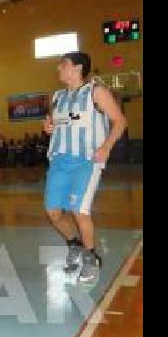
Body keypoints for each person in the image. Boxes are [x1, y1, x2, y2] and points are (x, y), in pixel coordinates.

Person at [44, 52, 127, 284]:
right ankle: (74, 245)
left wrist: (107, 147)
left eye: (64, 64)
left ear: (78, 68)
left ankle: (91, 258)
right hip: (59, 160)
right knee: (54, 213)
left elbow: (120, 121)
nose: (59, 68)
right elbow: (58, 123)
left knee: (80, 211)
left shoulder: (95, 92)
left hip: (86, 161)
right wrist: (49, 127)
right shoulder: (57, 96)